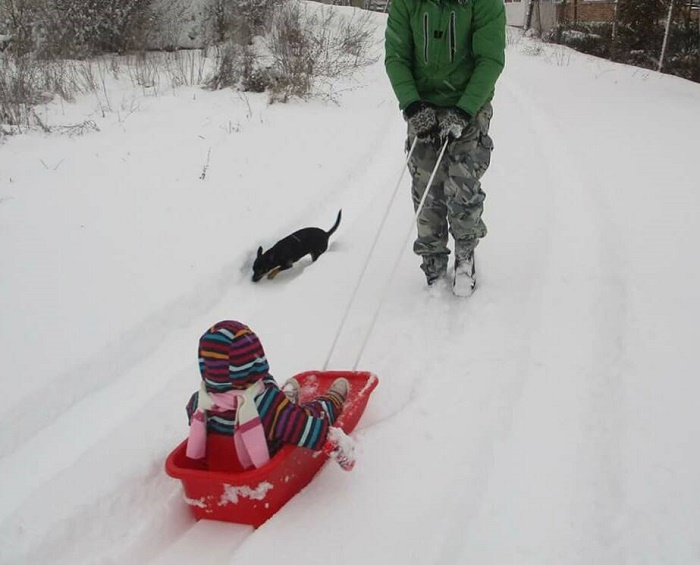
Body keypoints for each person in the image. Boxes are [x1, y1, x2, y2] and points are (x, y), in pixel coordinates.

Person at [385, 0, 506, 296]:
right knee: (426, 185)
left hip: (468, 103)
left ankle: (465, 254)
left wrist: (464, 111)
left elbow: (489, 60)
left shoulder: (485, 4)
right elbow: (396, 57)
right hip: (422, 104)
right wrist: (413, 106)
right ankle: (432, 261)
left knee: (462, 182)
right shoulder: (406, 4)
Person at [185, 320, 354, 471]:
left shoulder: (198, 402)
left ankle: (286, 402)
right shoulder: (266, 407)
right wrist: (335, 444)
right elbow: (306, 429)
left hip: (224, 461)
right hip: (267, 447)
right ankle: (332, 401)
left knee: (269, 397)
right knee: (304, 415)